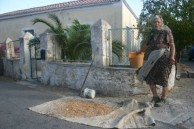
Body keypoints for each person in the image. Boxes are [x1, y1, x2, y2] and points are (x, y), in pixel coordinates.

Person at [137, 15, 176, 107]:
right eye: (155, 22)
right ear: (152, 23)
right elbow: (147, 45)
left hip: (164, 56)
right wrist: (139, 52)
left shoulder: (167, 30)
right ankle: (155, 97)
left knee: (164, 77)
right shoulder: (152, 32)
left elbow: (172, 45)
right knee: (149, 76)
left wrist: (172, 56)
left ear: (161, 22)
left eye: (158, 22)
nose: (156, 23)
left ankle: (163, 98)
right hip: (153, 56)